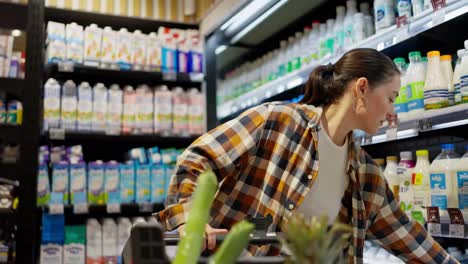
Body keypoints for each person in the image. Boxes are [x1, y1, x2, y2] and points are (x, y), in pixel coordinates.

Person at [154, 48, 458, 263]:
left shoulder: (363, 173)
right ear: (362, 88)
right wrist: (190, 220)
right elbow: (198, 159)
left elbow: (408, 237)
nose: (392, 112)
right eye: (391, 98)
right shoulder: (278, 122)